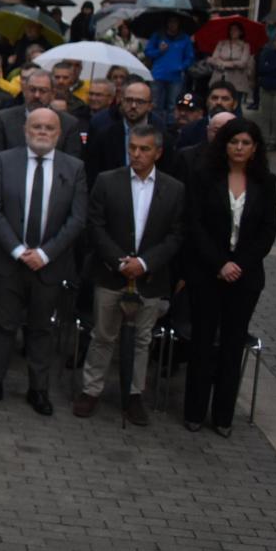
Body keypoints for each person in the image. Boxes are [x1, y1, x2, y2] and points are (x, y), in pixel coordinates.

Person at [0, 108, 87, 417]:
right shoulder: (4, 161)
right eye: (36, 126)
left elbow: (77, 219)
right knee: (3, 325)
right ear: (25, 129)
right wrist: (17, 250)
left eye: (49, 128)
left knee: (40, 329)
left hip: (48, 265)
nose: (42, 132)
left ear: (59, 134)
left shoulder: (73, 168)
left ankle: (39, 389)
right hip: (8, 261)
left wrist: (45, 254)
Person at [73, 123, 185, 426]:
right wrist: (118, 260)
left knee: (141, 339)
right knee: (103, 335)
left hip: (150, 278)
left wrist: (145, 263)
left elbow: (175, 236)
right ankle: (91, 389)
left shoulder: (174, 189)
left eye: (144, 149)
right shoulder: (108, 181)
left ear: (158, 153)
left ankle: (134, 394)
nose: (136, 154)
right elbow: (95, 225)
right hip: (111, 273)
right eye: (132, 148)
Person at [184, 119, 276, 435]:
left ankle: (223, 416)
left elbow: (268, 231)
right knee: (202, 341)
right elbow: (194, 225)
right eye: (233, 142)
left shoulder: (266, 182)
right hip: (208, 273)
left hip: (245, 277)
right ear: (223, 145)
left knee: (232, 343)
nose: (239, 148)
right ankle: (194, 411)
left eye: (246, 143)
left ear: (255, 149)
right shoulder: (203, 177)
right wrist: (220, 263)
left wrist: (239, 264)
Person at [0, 69, 83, 158]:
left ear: (53, 94)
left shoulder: (68, 124)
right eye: (32, 90)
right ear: (24, 91)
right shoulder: (4, 119)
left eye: (43, 91)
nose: (37, 95)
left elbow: (71, 166)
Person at [144, 15, 195, 118]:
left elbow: (190, 57)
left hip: (176, 76)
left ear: (179, 24)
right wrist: (159, 51)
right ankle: (155, 124)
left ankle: (171, 126)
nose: (172, 24)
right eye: (170, 21)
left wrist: (182, 66)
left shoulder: (185, 38)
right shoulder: (158, 36)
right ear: (167, 23)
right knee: (155, 103)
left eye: (175, 22)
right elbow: (148, 52)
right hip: (158, 74)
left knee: (173, 104)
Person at [208, 21, 254, 100]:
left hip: (237, 81)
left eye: (236, 30)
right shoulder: (222, 43)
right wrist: (219, 63)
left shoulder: (245, 45)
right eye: (231, 30)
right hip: (219, 78)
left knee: (235, 105)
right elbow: (213, 59)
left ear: (241, 32)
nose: (233, 32)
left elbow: (243, 63)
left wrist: (226, 63)